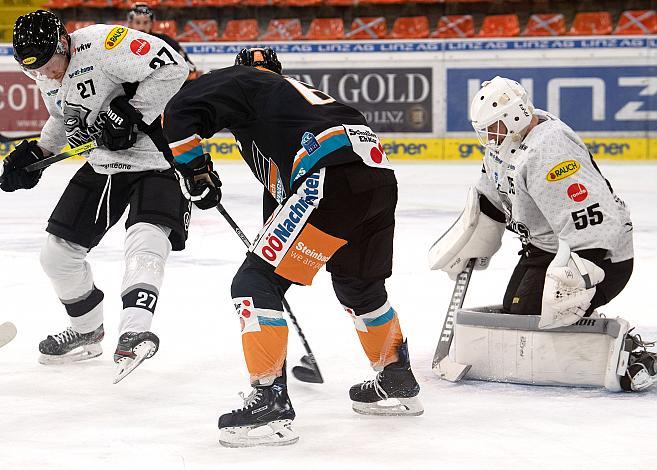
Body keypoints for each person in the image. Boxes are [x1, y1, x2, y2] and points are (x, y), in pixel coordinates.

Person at [163, 48, 423, 447]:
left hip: (328, 178)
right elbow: (284, 195)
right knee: (360, 287)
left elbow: (179, 110)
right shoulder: (293, 102)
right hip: (376, 181)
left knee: (253, 284)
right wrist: (270, 247)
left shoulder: (246, 81)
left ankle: (269, 402)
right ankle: (396, 378)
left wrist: (195, 170)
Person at [429, 76, 656, 391]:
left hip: (598, 255)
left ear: (515, 116)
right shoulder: (503, 146)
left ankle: (634, 356)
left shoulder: (550, 149)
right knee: (516, 312)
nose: (488, 137)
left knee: (538, 317)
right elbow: (492, 199)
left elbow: (594, 216)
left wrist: (583, 273)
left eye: (493, 127)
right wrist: (474, 239)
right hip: (545, 250)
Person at [2, 10, 190, 382]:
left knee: (146, 237)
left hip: (159, 158)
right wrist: (39, 152)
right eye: (32, 70)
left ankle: (134, 331)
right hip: (105, 163)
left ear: (62, 43)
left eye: (45, 65)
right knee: (56, 254)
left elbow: (173, 67)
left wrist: (130, 114)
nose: (41, 75)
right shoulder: (45, 71)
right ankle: (88, 332)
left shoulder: (104, 44)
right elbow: (63, 115)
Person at [127, 3, 199, 81]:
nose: (141, 27)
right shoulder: (123, 42)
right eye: (137, 22)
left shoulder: (165, 41)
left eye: (146, 22)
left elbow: (191, 70)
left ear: (152, 23)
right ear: (130, 24)